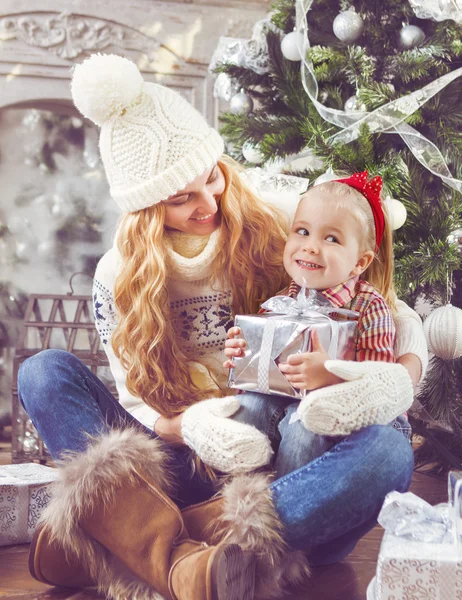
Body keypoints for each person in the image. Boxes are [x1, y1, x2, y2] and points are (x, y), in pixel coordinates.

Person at [18, 54, 427, 600]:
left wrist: (402, 373)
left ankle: (137, 542)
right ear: (145, 209)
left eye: (210, 177)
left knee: (389, 452)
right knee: (44, 373)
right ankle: (185, 560)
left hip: (284, 469)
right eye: (180, 197)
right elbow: (138, 407)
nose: (209, 202)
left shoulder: (271, 215)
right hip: (184, 458)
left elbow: (388, 305)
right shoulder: (117, 274)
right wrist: (194, 425)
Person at [224, 171, 414, 478]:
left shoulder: (368, 307)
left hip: (347, 418)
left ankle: (293, 501)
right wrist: (241, 354)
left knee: (304, 425)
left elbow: (378, 388)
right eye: (302, 231)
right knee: (249, 407)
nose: (310, 246)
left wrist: (330, 375)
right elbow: (260, 369)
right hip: (286, 404)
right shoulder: (282, 302)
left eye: (331, 238)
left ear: (359, 262)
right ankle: (243, 497)